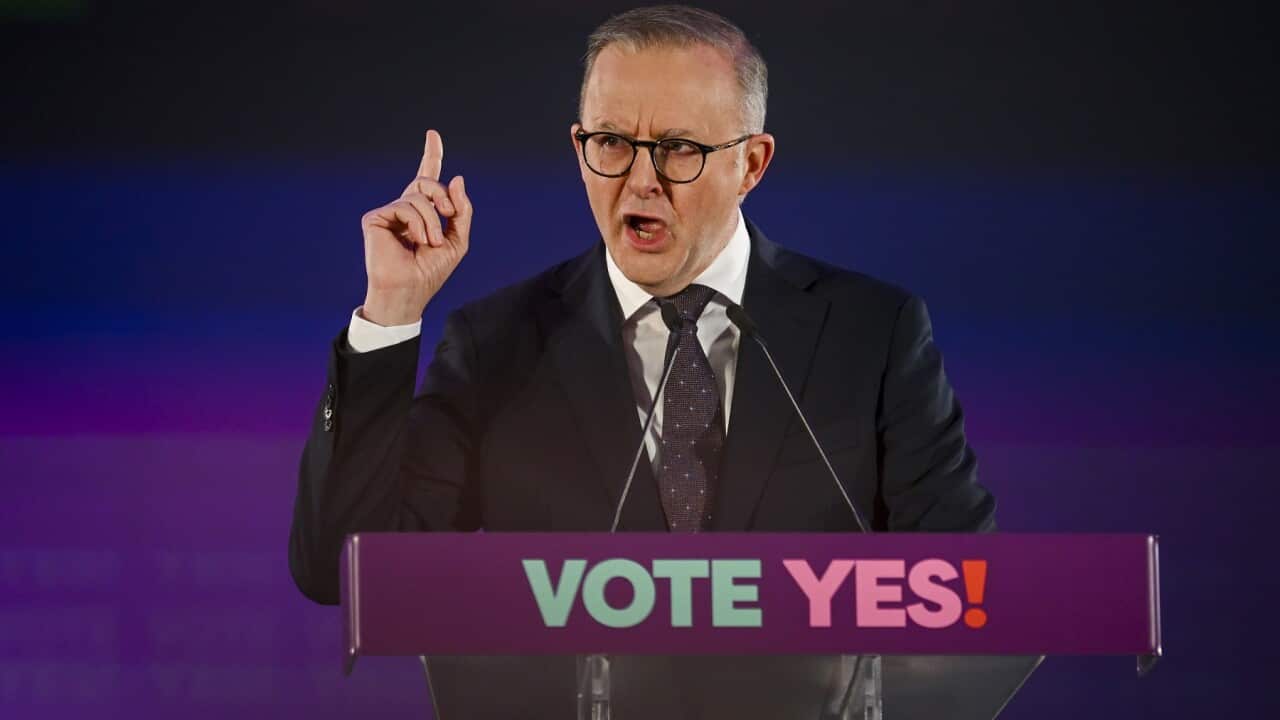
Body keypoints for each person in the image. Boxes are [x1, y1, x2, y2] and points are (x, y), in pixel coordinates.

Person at [289, 5, 995, 606]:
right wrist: (391, 311)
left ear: (752, 163)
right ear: (579, 146)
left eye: (679, 148)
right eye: (612, 143)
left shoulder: (871, 334)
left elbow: (967, 590)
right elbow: (349, 577)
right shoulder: (496, 345)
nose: (640, 180)